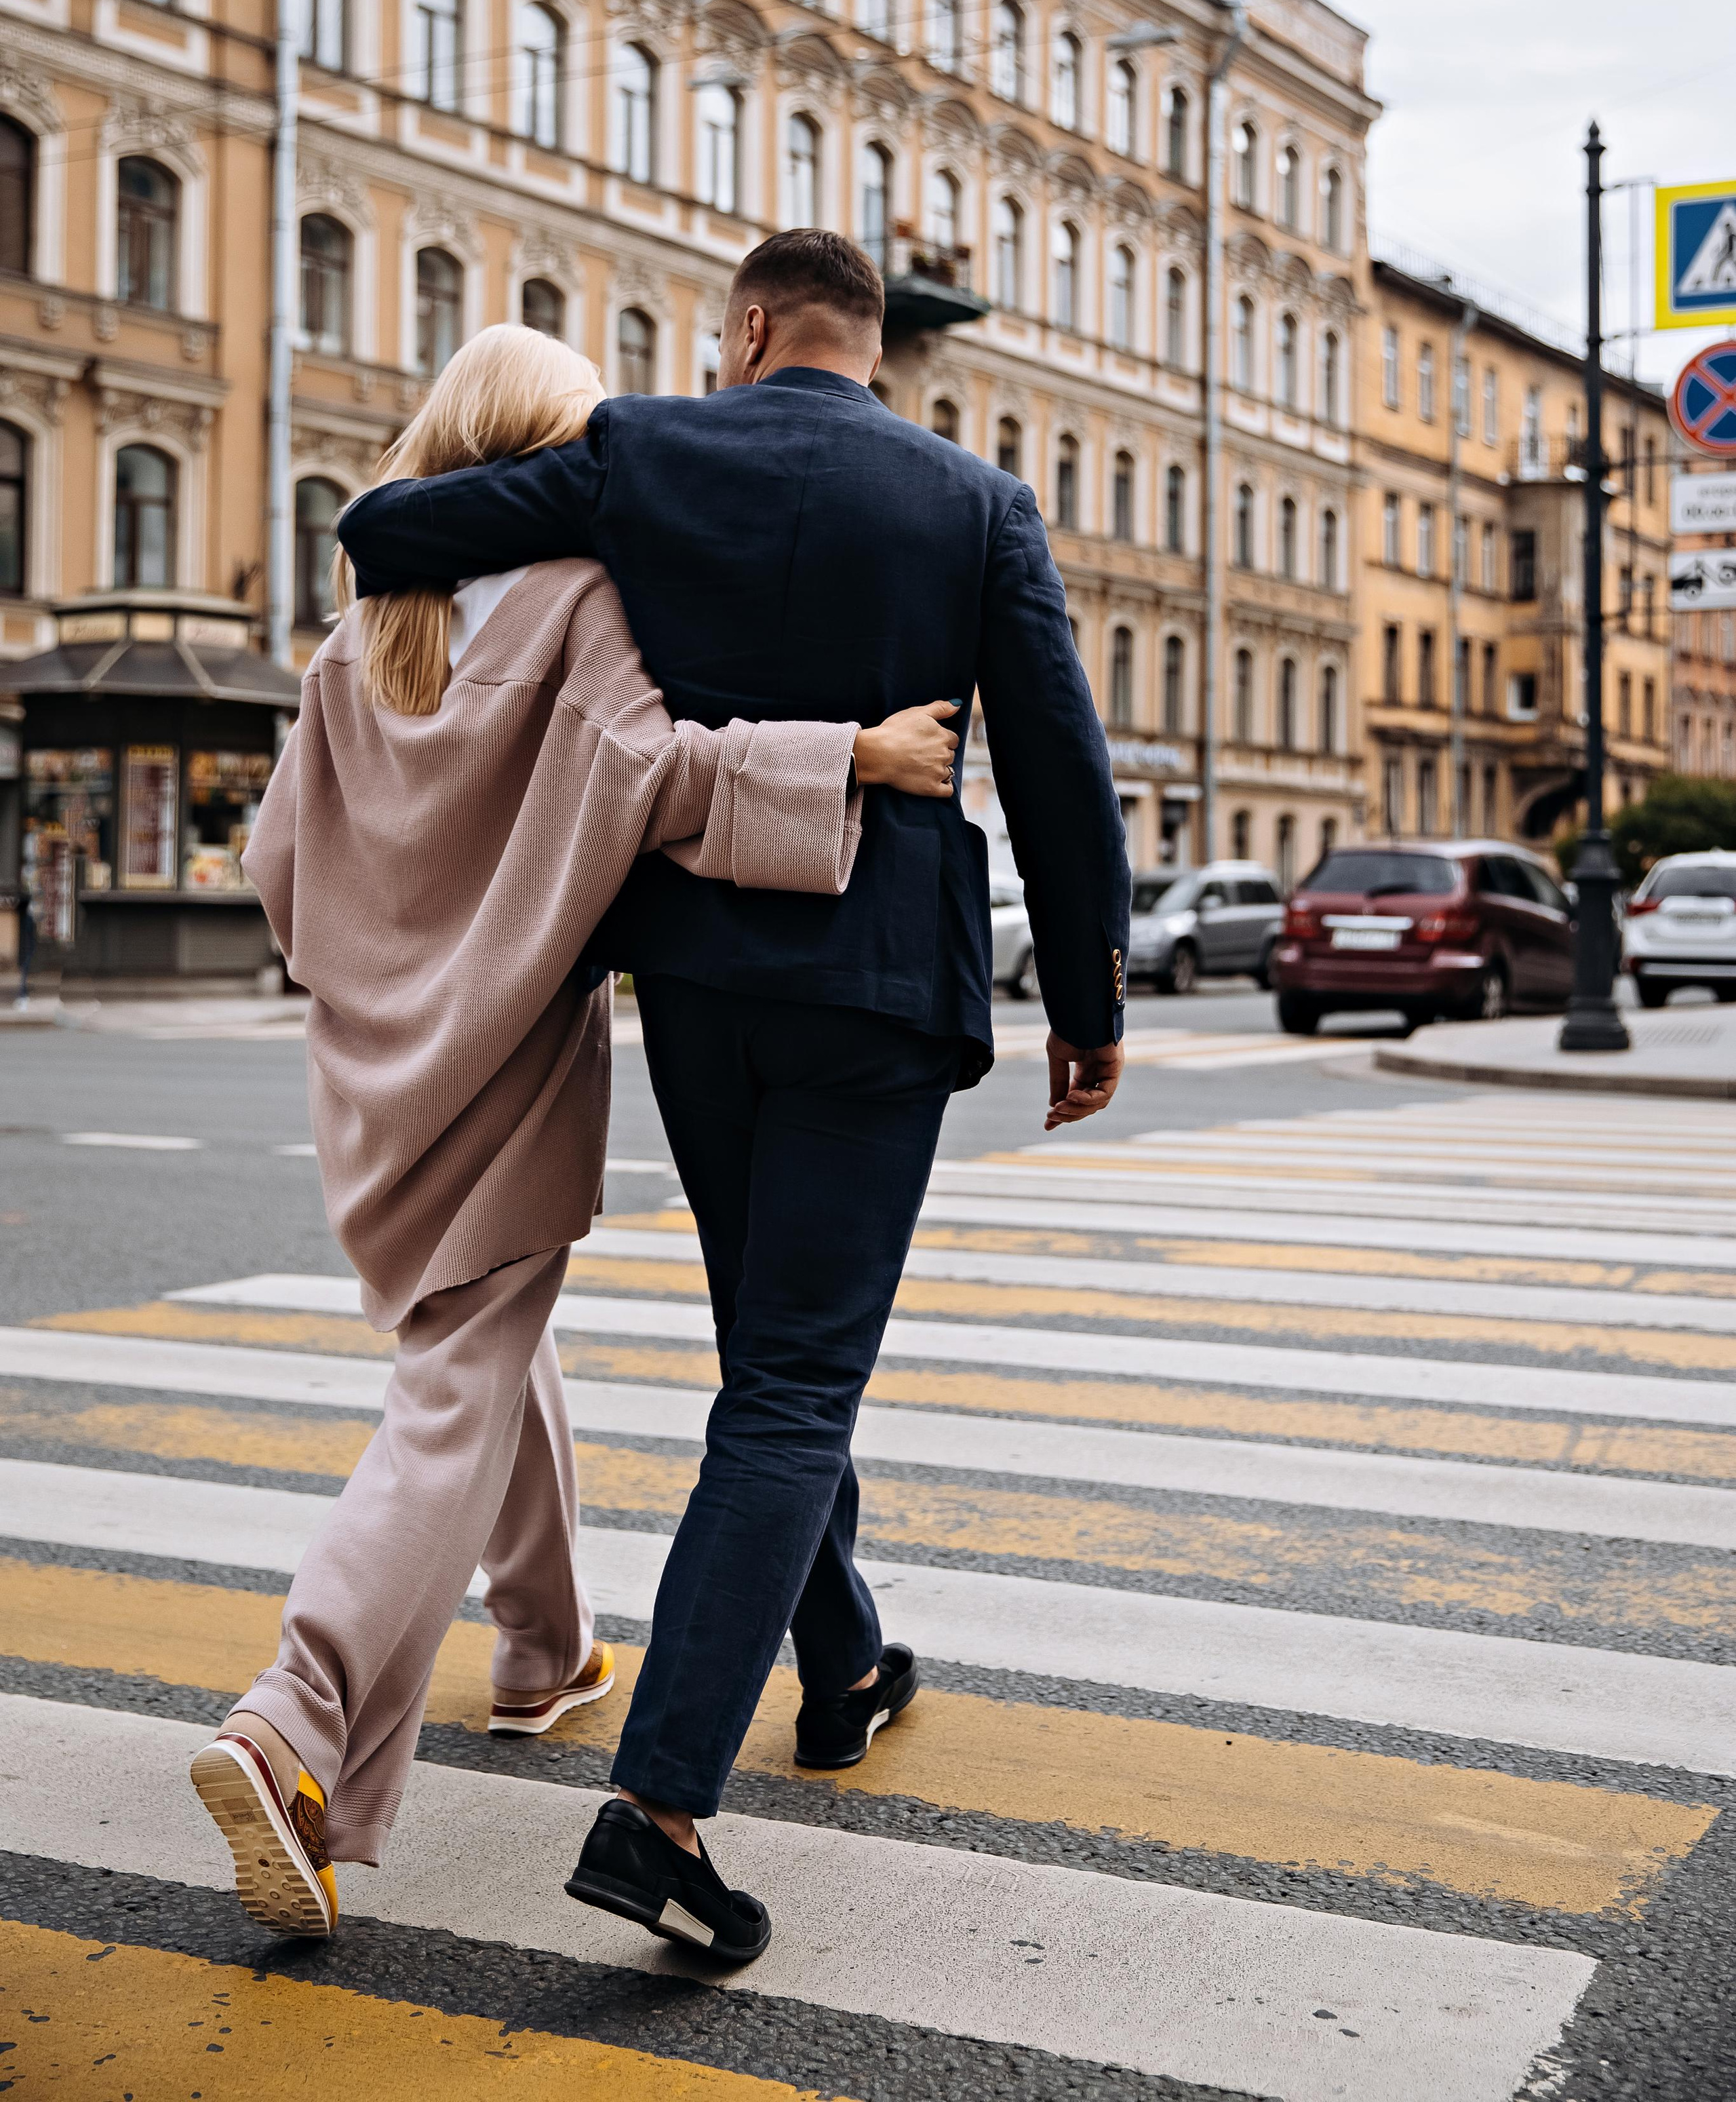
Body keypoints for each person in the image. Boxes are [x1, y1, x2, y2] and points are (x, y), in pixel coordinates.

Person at [336, 231, 1130, 1965]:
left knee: (768, 1352)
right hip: (878, 985)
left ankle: (840, 1661)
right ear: (865, 343)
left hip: (696, 978)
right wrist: (1087, 1001)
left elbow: (383, 533)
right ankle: (659, 1811)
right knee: (793, 1377)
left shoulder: (640, 452)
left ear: (750, 329)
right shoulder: (976, 503)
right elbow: (1058, 763)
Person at [189, 323, 960, 1940]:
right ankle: (296, 1714)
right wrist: (858, 756)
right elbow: (658, 780)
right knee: (456, 1379)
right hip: (505, 1049)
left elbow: (277, 862)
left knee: (483, 1327)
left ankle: (544, 1651)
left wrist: (373, 972)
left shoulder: (360, 635)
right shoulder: (571, 603)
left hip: (364, 1054)